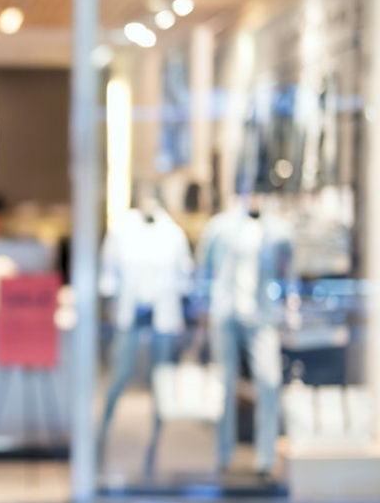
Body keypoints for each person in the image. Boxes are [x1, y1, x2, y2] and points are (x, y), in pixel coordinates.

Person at [197, 193, 297, 476]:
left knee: (269, 380)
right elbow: (204, 269)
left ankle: (266, 457)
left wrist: (290, 307)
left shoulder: (278, 230)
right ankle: (223, 454)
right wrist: (201, 310)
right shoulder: (220, 227)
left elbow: (288, 271)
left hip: (261, 315)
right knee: (224, 384)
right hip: (225, 314)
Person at [97, 184, 194, 473]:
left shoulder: (172, 233)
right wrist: (109, 308)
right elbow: (109, 275)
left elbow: (184, 278)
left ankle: (155, 443)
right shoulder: (122, 230)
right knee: (120, 375)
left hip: (162, 317)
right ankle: (101, 434)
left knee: (159, 382)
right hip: (130, 314)